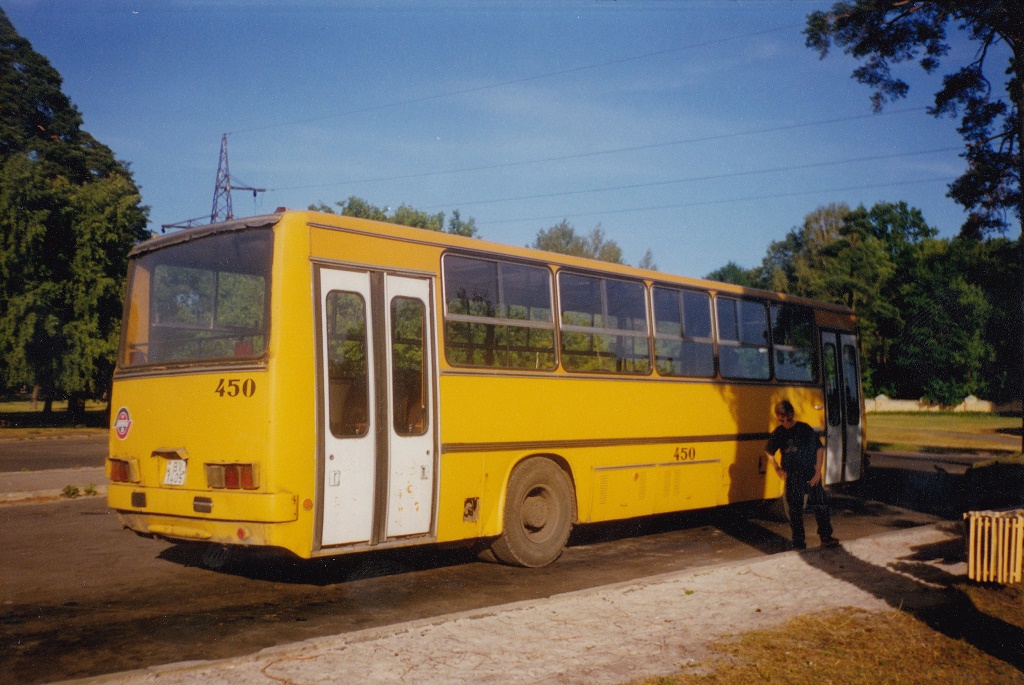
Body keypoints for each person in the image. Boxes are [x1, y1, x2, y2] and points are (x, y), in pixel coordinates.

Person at [764, 400, 839, 550]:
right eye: (781, 419)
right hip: (792, 476)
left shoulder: (804, 429)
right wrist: (777, 469)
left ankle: (826, 538)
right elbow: (769, 452)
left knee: (821, 505)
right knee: (795, 511)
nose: (785, 422)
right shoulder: (778, 433)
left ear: (792, 414)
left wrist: (818, 472)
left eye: (788, 418)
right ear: (778, 418)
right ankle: (799, 543)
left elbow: (819, 449)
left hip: (810, 474)